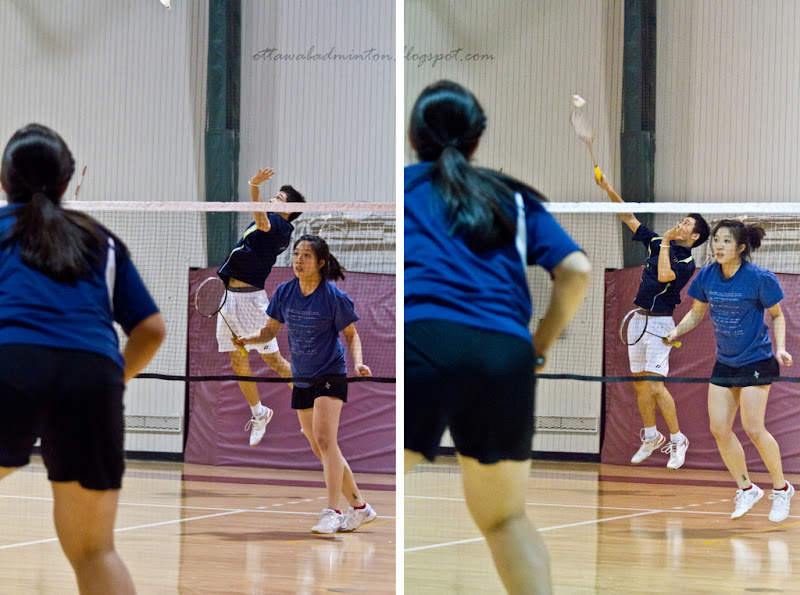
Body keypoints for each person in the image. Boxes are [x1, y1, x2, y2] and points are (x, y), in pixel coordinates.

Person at [404, 80, 592, 595]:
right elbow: (576, 269)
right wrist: (539, 346)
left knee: (378, 480)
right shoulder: (509, 197)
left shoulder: (402, 187)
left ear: (411, 134)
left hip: (425, 339)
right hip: (505, 354)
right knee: (506, 520)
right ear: (477, 140)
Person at [0, 124, 166, 594]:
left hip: (13, 363)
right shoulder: (100, 241)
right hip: (93, 378)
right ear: (67, 182)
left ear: (2, 178)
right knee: (95, 551)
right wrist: (117, 381)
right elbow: (151, 329)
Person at [233, 235, 377, 534]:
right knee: (320, 446)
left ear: (320, 263)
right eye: (296, 254)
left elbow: (351, 334)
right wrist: (249, 339)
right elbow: (270, 330)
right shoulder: (285, 293)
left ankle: (333, 511)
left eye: (306, 256)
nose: (298, 260)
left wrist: (358, 361)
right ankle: (361, 507)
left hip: (329, 373)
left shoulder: (332, 296)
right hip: (301, 376)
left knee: (325, 440)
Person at [665, 219, 794, 522]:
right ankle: (747, 488)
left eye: (726, 242)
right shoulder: (707, 276)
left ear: (740, 247)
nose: (718, 247)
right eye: (716, 241)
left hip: (757, 359)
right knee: (719, 429)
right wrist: (676, 332)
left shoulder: (759, 278)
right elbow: (696, 314)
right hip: (726, 360)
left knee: (753, 427)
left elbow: (776, 316)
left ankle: (781, 488)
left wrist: (781, 347)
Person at [596, 175, 710, 470]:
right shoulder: (658, 241)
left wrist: (668, 242)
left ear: (694, 237)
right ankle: (651, 436)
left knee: (656, 387)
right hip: (637, 321)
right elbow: (628, 216)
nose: (680, 224)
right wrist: (609, 189)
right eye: (681, 220)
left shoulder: (686, 262)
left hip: (660, 326)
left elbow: (663, 277)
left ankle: (677, 438)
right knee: (640, 386)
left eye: (687, 224)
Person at [216, 168, 305, 447]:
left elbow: (262, 220)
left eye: (278, 197)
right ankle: (259, 413)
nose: (271, 199)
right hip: (229, 298)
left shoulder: (281, 227)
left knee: (274, 362)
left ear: (288, 209)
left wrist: (253, 186)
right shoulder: (267, 221)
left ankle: (310, 402)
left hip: (252, 302)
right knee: (237, 359)